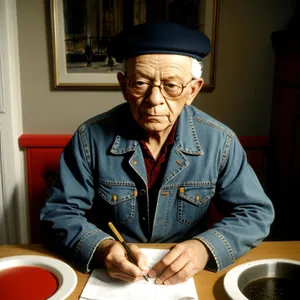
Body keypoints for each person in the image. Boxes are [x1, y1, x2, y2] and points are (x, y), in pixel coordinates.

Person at [40, 21, 274, 285]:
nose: (154, 98)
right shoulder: (89, 137)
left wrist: (205, 248)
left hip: (188, 278)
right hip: (113, 277)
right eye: (140, 82)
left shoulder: (220, 142)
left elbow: (255, 212)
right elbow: (58, 212)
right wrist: (102, 248)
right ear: (123, 86)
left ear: (192, 90)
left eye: (171, 86)